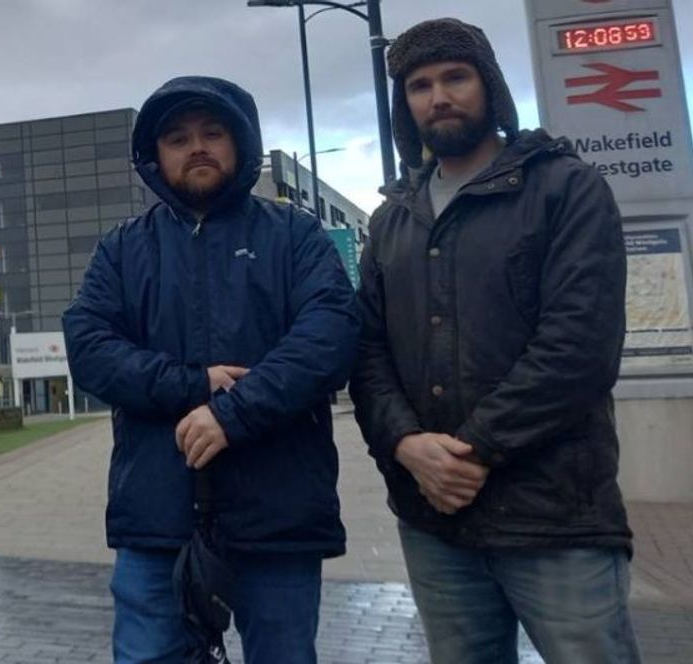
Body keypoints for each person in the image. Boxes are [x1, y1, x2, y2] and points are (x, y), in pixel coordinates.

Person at [349, 18, 642, 664]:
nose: (439, 97)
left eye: (455, 77)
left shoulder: (566, 189)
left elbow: (580, 347)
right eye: (420, 86)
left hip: (555, 518)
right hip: (435, 523)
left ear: (490, 85)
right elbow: (367, 353)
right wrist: (406, 444)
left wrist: (474, 449)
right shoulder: (393, 221)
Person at [63, 76, 359, 664]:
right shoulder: (122, 249)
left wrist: (233, 414)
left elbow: (330, 335)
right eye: (177, 138)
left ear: (240, 142)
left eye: (212, 132)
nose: (196, 147)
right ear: (155, 155)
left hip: (277, 516)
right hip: (156, 517)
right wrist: (193, 385)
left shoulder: (295, 234)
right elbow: (90, 346)